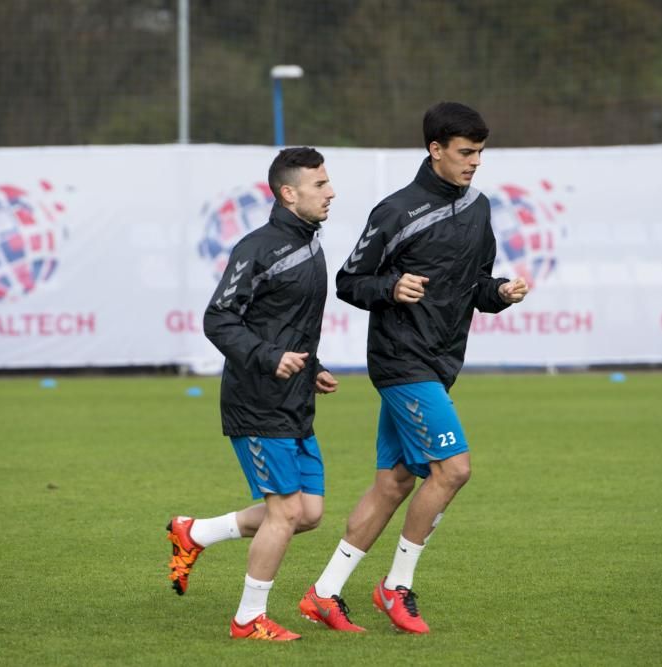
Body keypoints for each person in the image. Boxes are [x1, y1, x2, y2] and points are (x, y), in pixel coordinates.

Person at [298, 102, 529, 634]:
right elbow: (351, 281)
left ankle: (324, 593)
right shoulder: (396, 211)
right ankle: (395, 585)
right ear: (436, 150)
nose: (475, 163)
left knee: (394, 482)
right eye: (466, 153)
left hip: (441, 362)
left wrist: (501, 292)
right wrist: (391, 287)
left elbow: (478, 287)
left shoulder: (478, 208)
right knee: (454, 470)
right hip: (402, 361)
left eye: (480, 154)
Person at [166, 146, 339, 642]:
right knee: (283, 513)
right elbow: (218, 317)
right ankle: (248, 620)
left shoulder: (311, 244)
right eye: (320, 184)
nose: (331, 192)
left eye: (328, 182)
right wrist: (269, 359)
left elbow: (289, 325)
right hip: (257, 400)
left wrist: (313, 367)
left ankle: (193, 533)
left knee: (307, 513)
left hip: (294, 399)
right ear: (289, 194)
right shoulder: (257, 247)